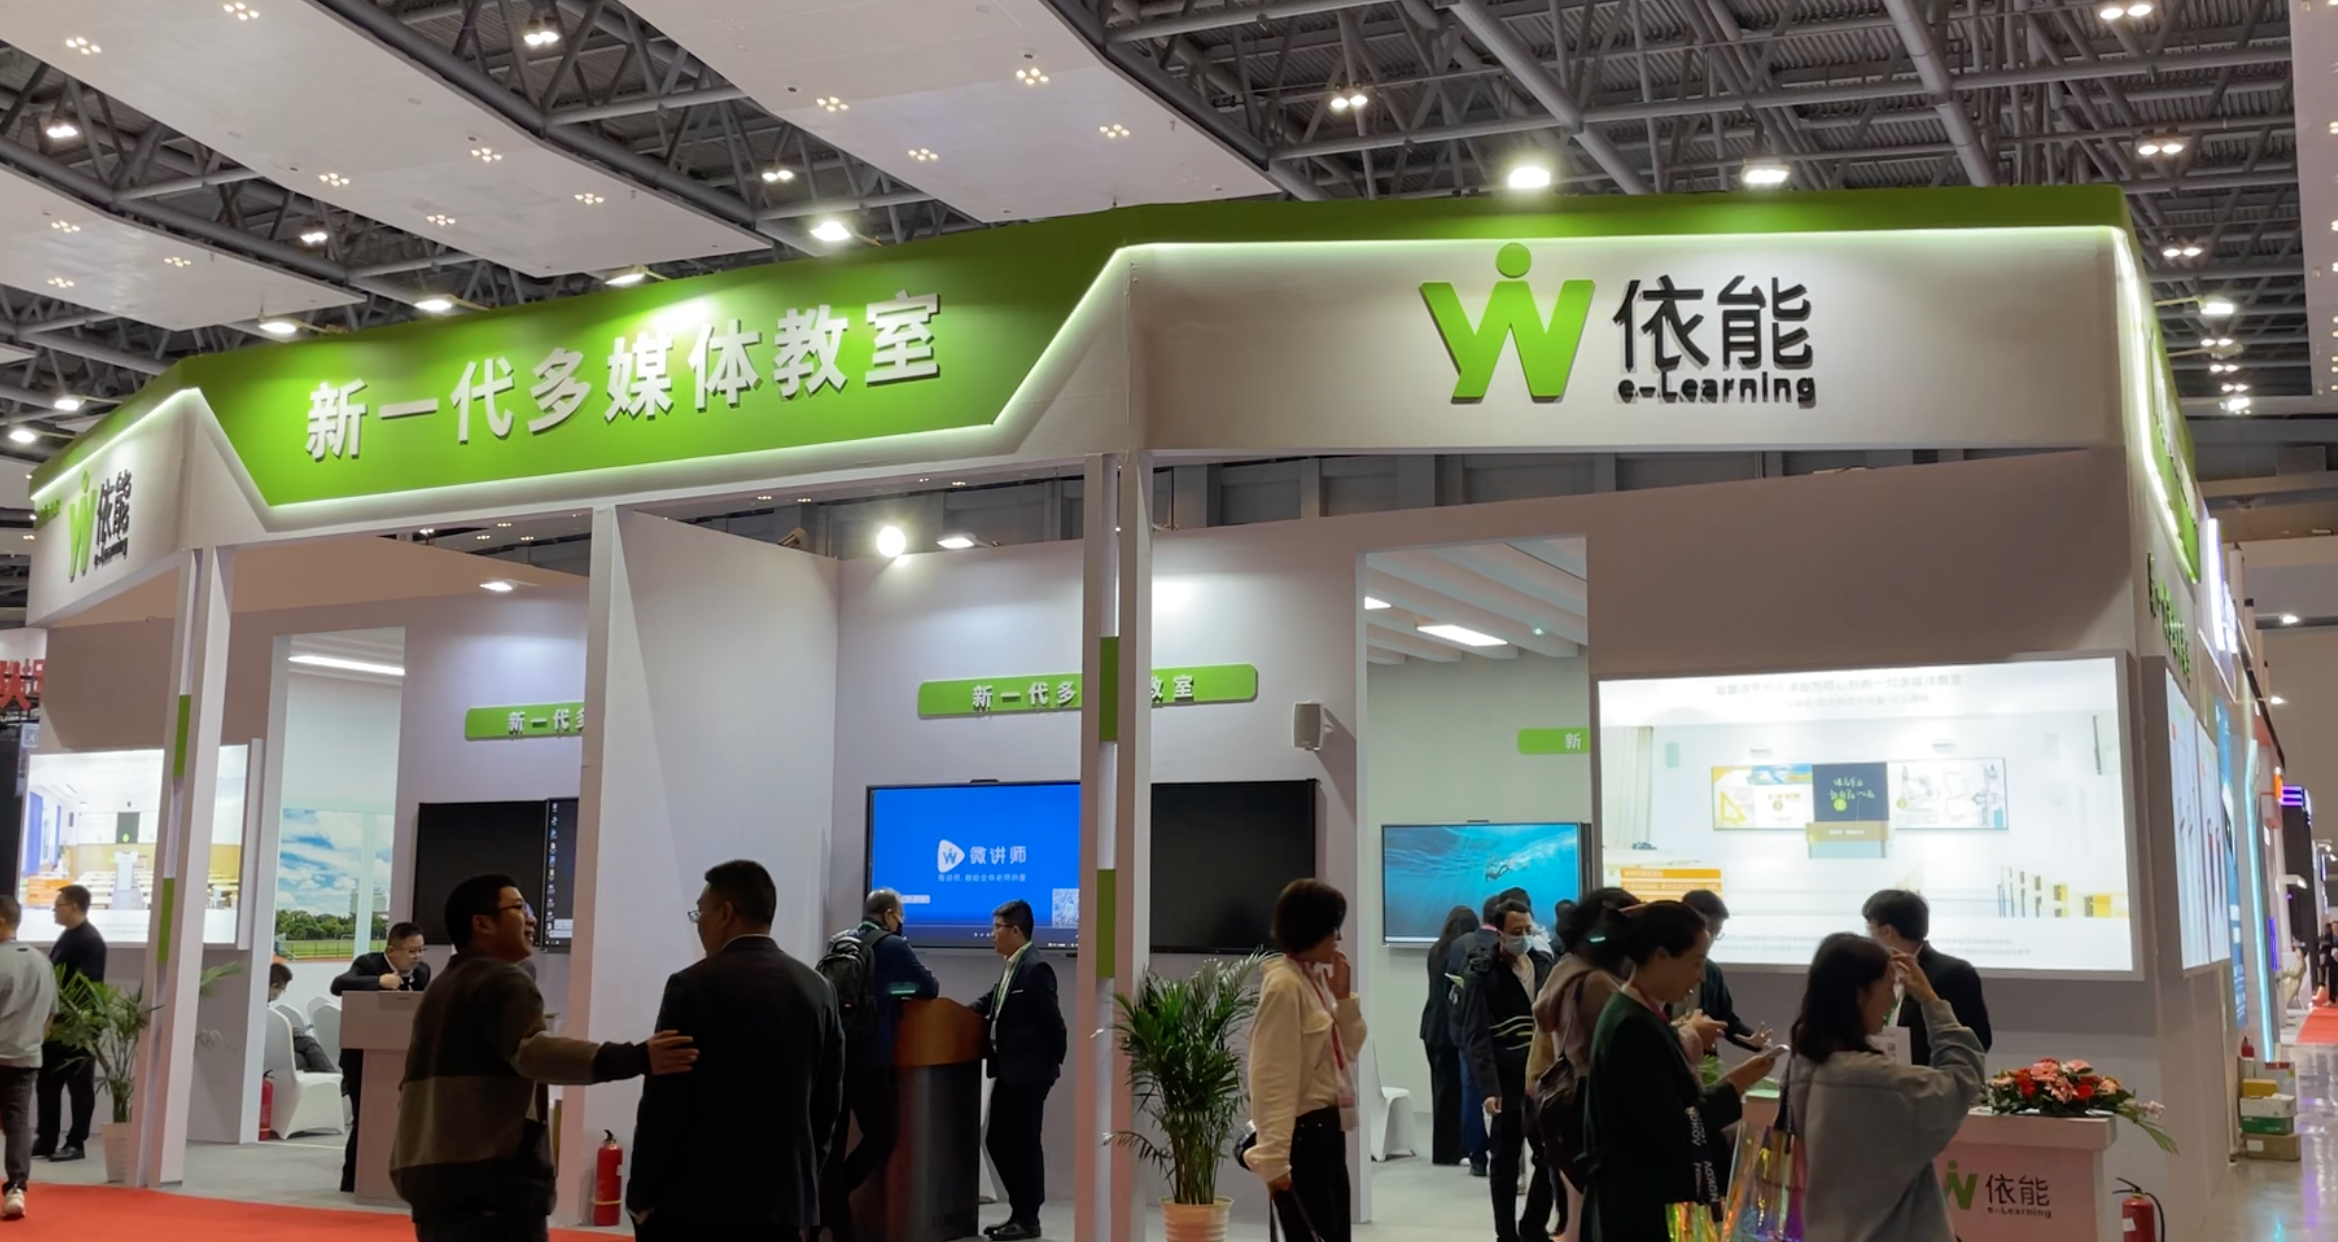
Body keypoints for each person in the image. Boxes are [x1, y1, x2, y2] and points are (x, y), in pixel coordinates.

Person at [391, 875, 694, 1242]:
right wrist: (635, 1057)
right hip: (490, 1182)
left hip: (434, 1179)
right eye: (519, 908)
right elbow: (532, 1052)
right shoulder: (503, 979)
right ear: (482, 923)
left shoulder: (443, 985)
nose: (532, 919)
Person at [630, 861, 843, 1241]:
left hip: (696, 1203)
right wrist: (804, 1180)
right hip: (784, 1204)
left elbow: (665, 1100)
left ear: (725, 913)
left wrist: (642, 1193)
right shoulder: (819, 989)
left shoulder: (691, 986)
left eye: (700, 912)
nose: (699, 924)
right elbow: (828, 1103)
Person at [1582, 902, 1783, 1242]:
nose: (1701, 976)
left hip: (1634, 1198)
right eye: (1696, 962)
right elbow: (1675, 1128)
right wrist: (1734, 1086)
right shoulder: (1632, 1025)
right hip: (1639, 1208)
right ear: (1661, 956)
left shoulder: (1636, 1013)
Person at [1784, 934, 1985, 1242]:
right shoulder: (1876, 1080)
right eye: (1890, 986)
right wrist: (1931, 1001)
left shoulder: (1803, 1066)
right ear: (1859, 994)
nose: (1893, 1000)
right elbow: (1962, 1080)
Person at [1244, 880, 1367, 1242]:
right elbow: (1272, 1077)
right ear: (1312, 928)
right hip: (1304, 1139)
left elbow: (1347, 1051)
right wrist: (1274, 1160)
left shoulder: (1312, 980)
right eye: (1333, 928)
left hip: (1328, 1134)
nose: (1338, 938)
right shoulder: (1284, 986)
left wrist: (1343, 999)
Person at [820, 888, 940, 1242]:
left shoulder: (839, 941)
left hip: (835, 1053)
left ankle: (834, 1217)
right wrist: (897, 991)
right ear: (888, 915)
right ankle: (836, 1197)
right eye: (900, 916)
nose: (901, 922)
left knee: (834, 1141)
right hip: (871, 1057)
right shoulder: (893, 946)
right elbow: (930, 987)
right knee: (883, 1134)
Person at [1530, 888, 1638, 1242]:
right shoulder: (1597, 983)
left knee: (1575, 1215)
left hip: (1569, 1108)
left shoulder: (1566, 970)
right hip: (1595, 1109)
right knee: (1590, 1220)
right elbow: (1628, 1050)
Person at [969, 899, 1066, 1241]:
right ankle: (1020, 1212)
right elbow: (992, 1002)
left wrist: (1051, 1063)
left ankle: (1028, 1217)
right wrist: (959, 1013)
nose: (992, 934)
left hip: (1029, 1073)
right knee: (997, 1140)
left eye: (997, 928)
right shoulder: (1013, 966)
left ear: (1015, 930)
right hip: (1009, 1071)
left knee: (1023, 1145)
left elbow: (1054, 1024)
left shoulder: (1036, 968)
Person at [1459, 899, 1555, 1242]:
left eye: (1529, 929)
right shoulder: (1482, 975)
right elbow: (1476, 1036)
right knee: (1504, 1159)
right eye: (1516, 931)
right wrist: (1488, 1088)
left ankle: (1533, 1225)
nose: (1523, 937)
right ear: (1499, 932)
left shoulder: (1544, 965)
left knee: (1549, 1155)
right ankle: (1506, 1233)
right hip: (1506, 1078)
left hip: (1544, 1078)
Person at [333, 921, 432, 1193]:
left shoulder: (423, 972)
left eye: (421, 950)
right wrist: (378, 982)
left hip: (401, 1054)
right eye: (411, 951)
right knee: (365, 1117)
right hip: (362, 1057)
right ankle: (353, 1179)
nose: (417, 957)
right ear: (392, 950)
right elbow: (339, 985)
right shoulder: (368, 964)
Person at [1861, 891, 1992, 1065]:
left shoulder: (1954, 973)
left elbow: (1977, 1040)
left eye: (1869, 928)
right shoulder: (1872, 973)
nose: (1867, 937)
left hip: (1931, 1077)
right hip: (1882, 1072)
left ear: (1887, 931)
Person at [35, 884, 103, 1164]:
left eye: (58, 906)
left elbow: (84, 986)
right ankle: (47, 1138)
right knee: (47, 1082)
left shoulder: (89, 941)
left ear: (74, 907)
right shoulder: (68, 935)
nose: (54, 911)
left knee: (79, 1086)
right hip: (58, 1023)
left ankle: (76, 1142)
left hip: (78, 1026)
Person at [0, 896, 57, 1220]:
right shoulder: (42, 962)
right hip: (26, 1056)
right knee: (17, 1122)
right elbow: (51, 1014)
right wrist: (32, 1042)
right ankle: (17, 1187)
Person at [1444, 894, 1505, 1176]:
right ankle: (1504, 1152)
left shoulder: (1460, 944)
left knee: (1470, 1090)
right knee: (1503, 1091)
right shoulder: (1504, 946)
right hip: (1502, 1030)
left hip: (1467, 1029)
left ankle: (1477, 1158)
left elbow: (1449, 989)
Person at [1421, 905, 1478, 1166]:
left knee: (1441, 1091)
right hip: (1450, 1030)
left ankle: (1444, 1149)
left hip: (1431, 1027)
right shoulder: (1460, 954)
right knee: (1454, 1092)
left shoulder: (1436, 950)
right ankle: (1452, 1150)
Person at [1680, 892, 1768, 1054]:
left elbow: (1726, 1019)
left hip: (1703, 1058)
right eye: (1708, 930)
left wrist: (1752, 1039)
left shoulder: (1712, 972)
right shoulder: (1664, 969)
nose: (1711, 939)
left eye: (1716, 932)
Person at [269, 962, 339, 1073]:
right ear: (273, 986)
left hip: (274, 1044)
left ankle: (330, 1075)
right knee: (309, 1058)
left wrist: (286, 1030)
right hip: (270, 1049)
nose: (281, 993)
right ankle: (332, 1076)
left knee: (308, 1043)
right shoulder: (258, 1008)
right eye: (282, 989)